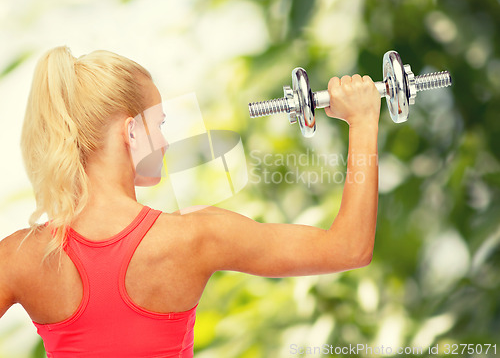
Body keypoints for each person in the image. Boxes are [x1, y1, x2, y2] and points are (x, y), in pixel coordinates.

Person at [0, 46, 381, 357]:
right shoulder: (195, 237)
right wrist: (362, 123)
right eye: (159, 124)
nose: (165, 142)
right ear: (131, 131)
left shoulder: (20, 256)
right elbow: (349, 248)